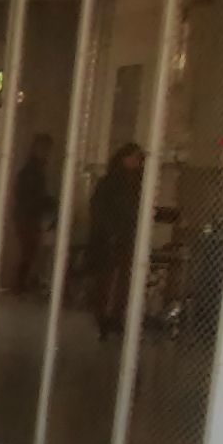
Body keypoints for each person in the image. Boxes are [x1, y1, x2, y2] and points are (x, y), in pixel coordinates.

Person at [87, 143, 146, 339]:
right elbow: (98, 209)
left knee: (124, 279)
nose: (137, 163)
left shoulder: (138, 184)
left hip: (127, 236)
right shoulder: (110, 182)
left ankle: (116, 317)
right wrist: (110, 230)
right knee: (106, 278)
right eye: (134, 158)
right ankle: (103, 317)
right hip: (108, 236)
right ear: (124, 158)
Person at [9, 132, 56, 294]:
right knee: (29, 250)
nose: (46, 153)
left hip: (30, 214)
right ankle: (21, 285)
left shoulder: (37, 169)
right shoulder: (32, 170)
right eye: (44, 149)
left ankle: (23, 284)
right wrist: (45, 203)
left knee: (31, 250)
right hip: (27, 215)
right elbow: (28, 194)